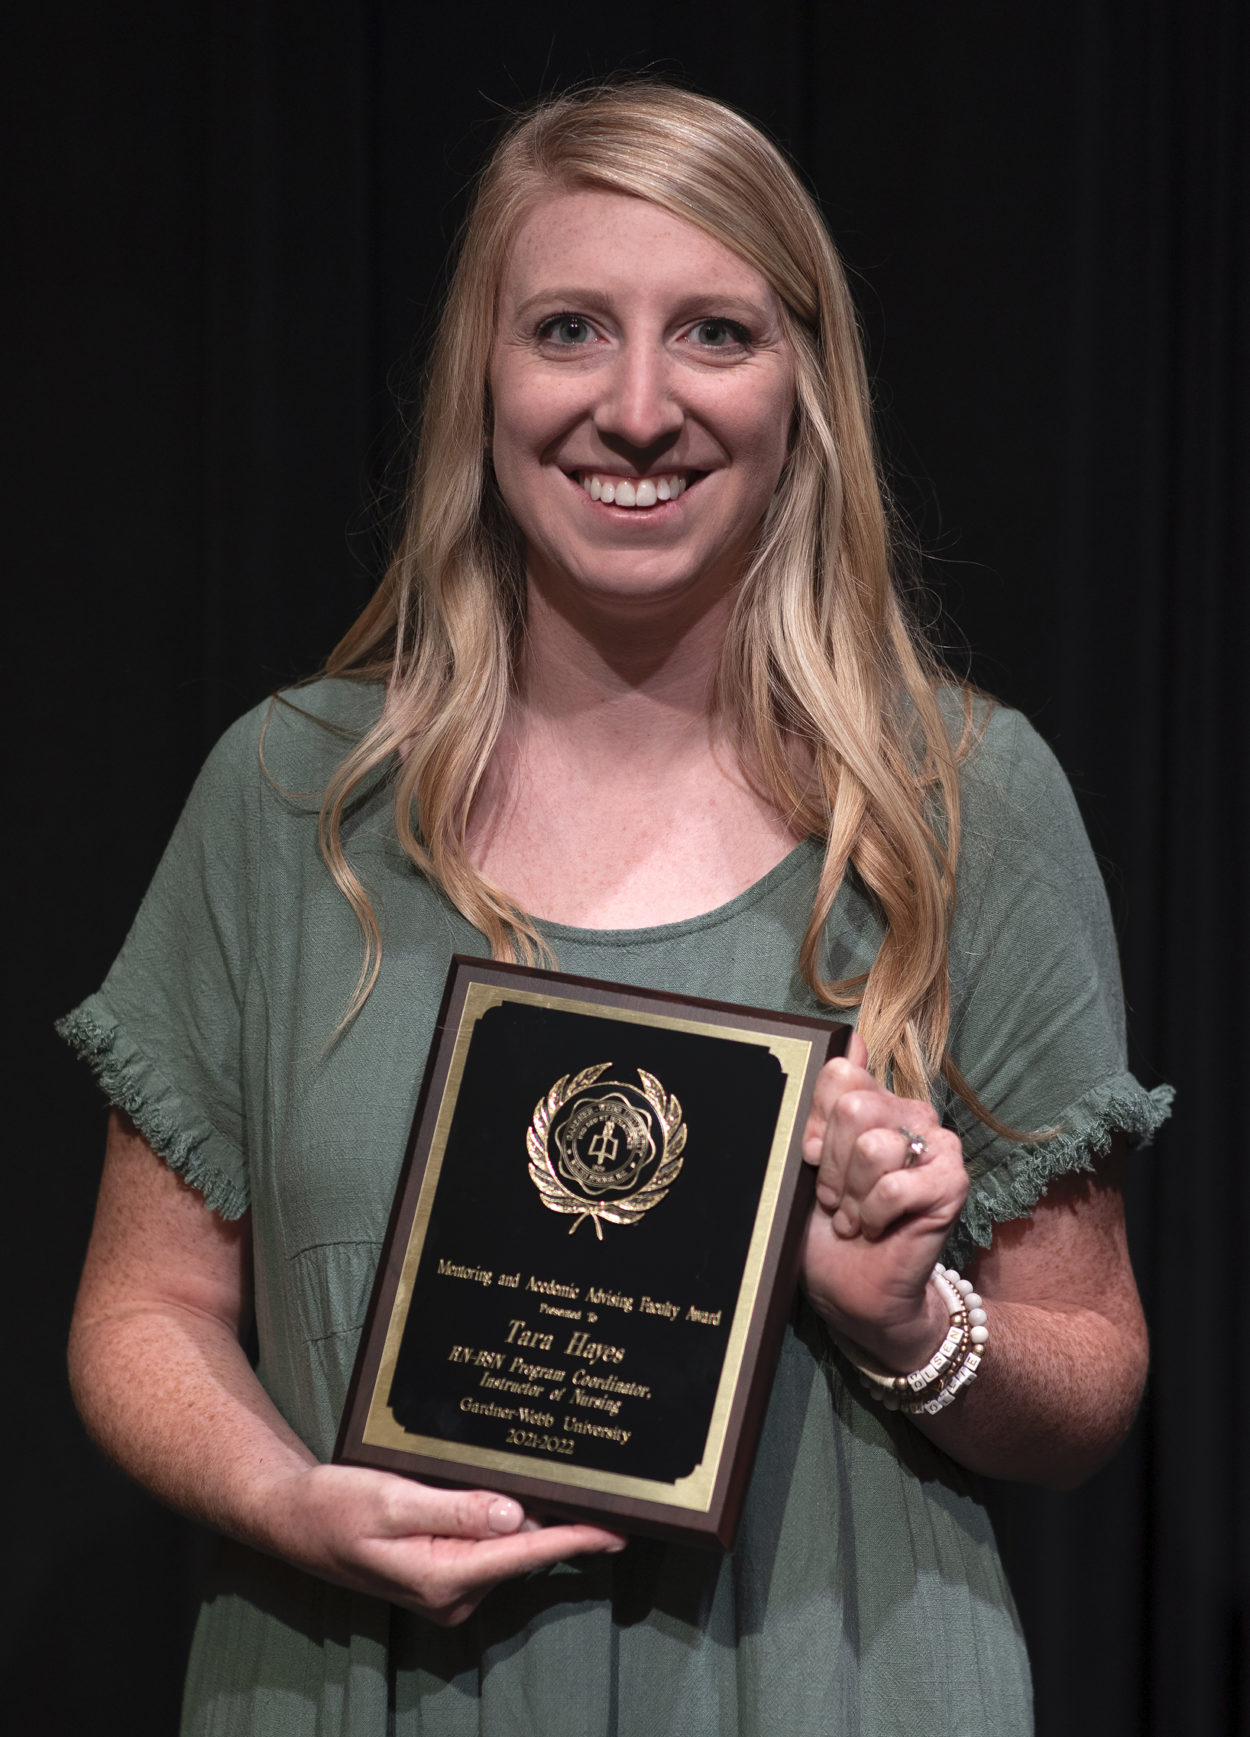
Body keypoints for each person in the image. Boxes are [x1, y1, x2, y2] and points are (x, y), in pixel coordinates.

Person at [60, 83, 1171, 1736]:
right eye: (569, 328)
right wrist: (282, 1498)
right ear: (481, 379)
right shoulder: (292, 799)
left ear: (802, 387)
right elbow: (139, 1310)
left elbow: (1084, 1376)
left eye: (712, 332)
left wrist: (912, 1323)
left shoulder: (960, 805)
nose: (635, 407)